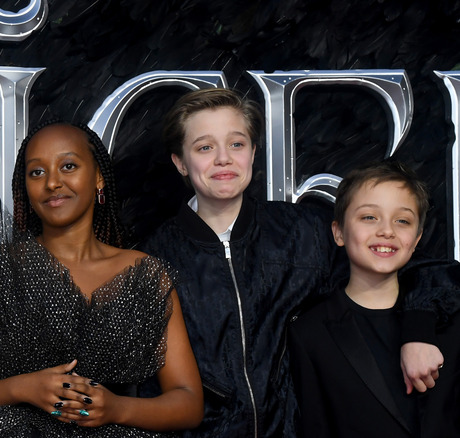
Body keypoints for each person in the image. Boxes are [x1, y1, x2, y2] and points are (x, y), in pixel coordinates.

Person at [140, 88, 447, 437]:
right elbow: (146, 385)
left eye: (237, 144)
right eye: (205, 147)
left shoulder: (305, 232)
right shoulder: (153, 260)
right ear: (180, 161)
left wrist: (419, 331)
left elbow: (420, 267)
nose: (223, 158)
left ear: (254, 152)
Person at [0, 121, 204, 437]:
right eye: (37, 172)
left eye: (68, 166)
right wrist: (23, 388)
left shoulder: (145, 275)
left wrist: (116, 408)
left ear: (98, 176)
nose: (52, 182)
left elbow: (189, 404)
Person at [288, 160, 460, 437]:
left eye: (402, 220)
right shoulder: (310, 333)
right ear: (339, 232)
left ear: (417, 240)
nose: (387, 230)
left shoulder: (449, 316)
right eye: (369, 217)